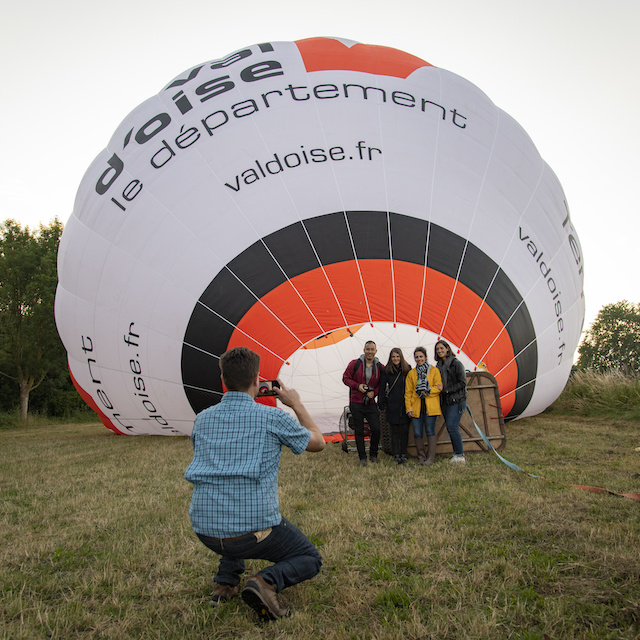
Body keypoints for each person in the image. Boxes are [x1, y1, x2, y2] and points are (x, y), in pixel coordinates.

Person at [184, 346, 326, 622]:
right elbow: (318, 442)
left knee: (229, 505)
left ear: (223, 377)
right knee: (310, 558)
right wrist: (295, 404)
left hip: (205, 529)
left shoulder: (201, 420)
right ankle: (265, 582)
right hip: (249, 533)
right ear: (257, 380)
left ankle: (225, 583)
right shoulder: (272, 418)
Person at [342, 340, 383, 466]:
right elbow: (345, 378)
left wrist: (374, 393)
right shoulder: (355, 364)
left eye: (372, 349)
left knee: (376, 429)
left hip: (370, 402)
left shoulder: (380, 366)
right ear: (364, 350)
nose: (370, 351)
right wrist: (357, 386)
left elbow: (382, 384)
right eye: (368, 349)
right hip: (356, 402)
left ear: (376, 351)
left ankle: (373, 454)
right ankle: (362, 457)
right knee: (359, 430)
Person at [404, 346, 443, 465]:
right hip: (416, 408)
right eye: (416, 357)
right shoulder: (412, 373)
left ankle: (430, 457)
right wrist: (408, 408)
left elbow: (439, 387)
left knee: (430, 431)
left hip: (430, 407)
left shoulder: (434, 371)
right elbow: (408, 392)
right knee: (417, 433)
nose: (419, 359)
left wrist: (427, 391)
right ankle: (421, 456)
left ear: (426, 357)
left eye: (421, 356)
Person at [435, 340, 467, 463]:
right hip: (445, 402)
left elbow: (462, 382)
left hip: (456, 400)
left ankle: (459, 455)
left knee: (452, 426)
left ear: (447, 349)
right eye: (437, 349)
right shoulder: (438, 366)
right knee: (451, 428)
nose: (440, 351)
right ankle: (456, 453)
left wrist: (446, 390)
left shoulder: (456, 363)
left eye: (442, 348)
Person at [378, 348, 412, 464]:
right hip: (392, 404)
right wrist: (381, 402)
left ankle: (403, 453)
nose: (395, 359)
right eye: (393, 357)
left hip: (405, 404)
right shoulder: (386, 370)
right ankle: (396, 454)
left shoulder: (407, 369)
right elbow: (382, 387)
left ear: (401, 357)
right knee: (394, 431)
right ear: (390, 358)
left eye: (397, 356)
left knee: (405, 430)